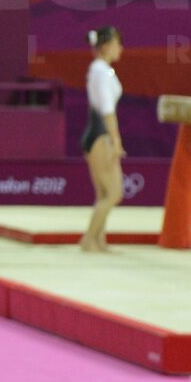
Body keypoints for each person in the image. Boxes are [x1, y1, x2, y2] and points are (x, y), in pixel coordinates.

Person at [80, 26, 125, 253]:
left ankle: (99, 240)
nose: (121, 48)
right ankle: (89, 239)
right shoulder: (102, 71)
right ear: (106, 46)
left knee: (103, 194)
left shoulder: (98, 69)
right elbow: (107, 109)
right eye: (118, 44)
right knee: (115, 193)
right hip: (101, 134)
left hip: (94, 133)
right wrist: (116, 141)